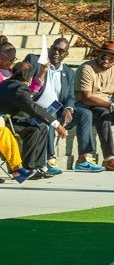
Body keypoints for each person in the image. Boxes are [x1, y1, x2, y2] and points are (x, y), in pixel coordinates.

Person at [25, 37, 103, 173]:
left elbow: (70, 96)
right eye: (54, 48)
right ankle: (49, 160)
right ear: (50, 48)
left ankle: (83, 160)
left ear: (66, 54)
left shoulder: (68, 72)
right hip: (37, 110)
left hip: (59, 110)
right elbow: (21, 74)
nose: (56, 52)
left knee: (85, 113)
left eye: (61, 51)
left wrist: (69, 108)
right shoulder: (34, 61)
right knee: (50, 114)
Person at [0, 61, 67, 178]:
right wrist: (57, 125)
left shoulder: (7, 83)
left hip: (9, 119)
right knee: (34, 129)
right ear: (28, 77)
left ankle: (38, 166)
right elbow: (33, 109)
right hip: (4, 123)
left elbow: (25, 103)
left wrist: (32, 103)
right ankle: (27, 168)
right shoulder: (19, 87)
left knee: (41, 127)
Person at [74, 41, 114, 171]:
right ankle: (109, 158)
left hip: (107, 106)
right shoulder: (87, 68)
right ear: (98, 55)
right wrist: (110, 105)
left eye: (111, 59)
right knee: (103, 113)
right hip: (84, 106)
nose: (106, 61)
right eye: (104, 57)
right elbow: (87, 98)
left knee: (104, 112)